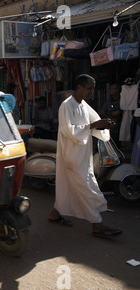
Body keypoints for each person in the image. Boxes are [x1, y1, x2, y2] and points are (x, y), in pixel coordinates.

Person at [48, 74, 122, 239]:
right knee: (87, 188)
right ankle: (97, 225)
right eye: (89, 88)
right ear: (80, 87)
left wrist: (103, 124)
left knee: (66, 186)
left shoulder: (83, 105)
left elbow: (93, 123)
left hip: (82, 155)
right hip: (72, 156)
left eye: (92, 88)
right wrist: (95, 125)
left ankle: (55, 214)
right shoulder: (66, 106)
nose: (91, 91)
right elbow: (69, 130)